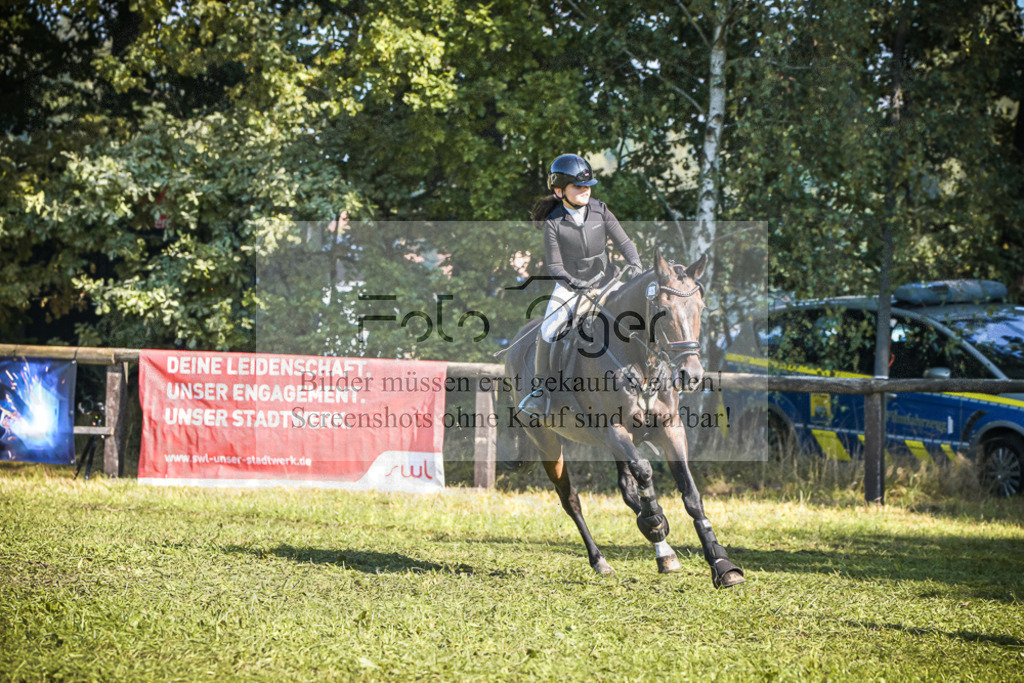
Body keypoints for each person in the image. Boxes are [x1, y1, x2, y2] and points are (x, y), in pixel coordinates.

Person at [519, 153, 644, 417]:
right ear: (559, 191)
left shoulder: (601, 210)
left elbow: (625, 242)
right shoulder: (554, 222)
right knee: (549, 329)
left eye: (587, 185)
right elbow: (554, 267)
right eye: (578, 186)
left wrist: (635, 262)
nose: (585, 190)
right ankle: (541, 390)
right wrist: (575, 284)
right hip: (570, 285)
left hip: (607, 281)